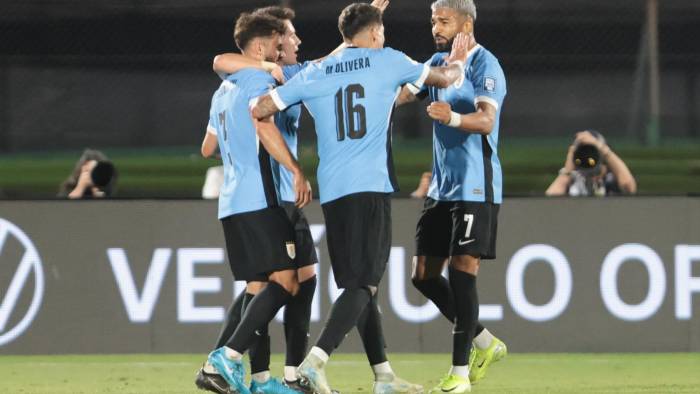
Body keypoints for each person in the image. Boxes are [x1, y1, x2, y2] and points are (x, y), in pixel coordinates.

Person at [251, 3, 469, 393]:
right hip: (369, 187)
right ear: (373, 34)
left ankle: (383, 376)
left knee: (357, 286)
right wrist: (459, 58)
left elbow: (261, 107)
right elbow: (445, 77)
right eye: (381, 31)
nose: (382, 37)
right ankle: (315, 362)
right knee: (364, 285)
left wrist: (288, 159)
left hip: (333, 193)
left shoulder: (317, 71)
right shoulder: (387, 60)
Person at [197, 5, 328, 394]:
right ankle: (225, 358)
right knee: (285, 281)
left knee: (269, 285)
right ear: (262, 47)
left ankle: (262, 379)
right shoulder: (257, 82)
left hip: (235, 199)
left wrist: (238, 148)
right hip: (266, 197)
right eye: (284, 37)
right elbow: (262, 121)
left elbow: (208, 147)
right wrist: (293, 168)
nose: (293, 42)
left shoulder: (224, 90)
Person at [395, 0, 508, 392]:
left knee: (463, 275)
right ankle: (483, 341)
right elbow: (403, 95)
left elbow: (487, 120)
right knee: (423, 276)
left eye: (443, 20)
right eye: (432, 20)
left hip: (477, 185)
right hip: (441, 189)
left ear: (466, 23)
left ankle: (460, 374)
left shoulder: (485, 65)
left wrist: (454, 118)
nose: (435, 27)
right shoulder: (439, 63)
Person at [545, 130, 637, 197]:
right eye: (583, 153)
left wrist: (603, 149)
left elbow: (629, 188)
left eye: (592, 152)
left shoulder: (612, 179)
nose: (588, 157)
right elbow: (549, 203)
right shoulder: (572, 180)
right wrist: (568, 169)